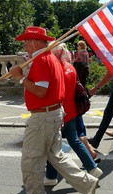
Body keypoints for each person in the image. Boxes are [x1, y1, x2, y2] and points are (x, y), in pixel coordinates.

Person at [8, 26, 98, 194]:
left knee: (31, 160)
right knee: (56, 156)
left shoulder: (41, 59)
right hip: (53, 114)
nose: (24, 46)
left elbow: (41, 91)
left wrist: (20, 78)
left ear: (34, 42)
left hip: (43, 116)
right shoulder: (51, 58)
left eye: (26, 41)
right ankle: (87, 183)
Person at [44, 43, 102, 186]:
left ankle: (52, 177)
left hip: (61, 112)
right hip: (73, 110)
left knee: (53, 145)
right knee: (71, 141)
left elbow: (54, 94)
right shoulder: (71, 68)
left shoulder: (57, 70)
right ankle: (92, 168)